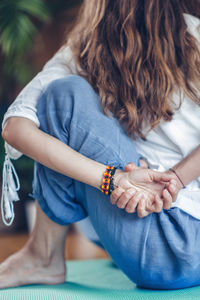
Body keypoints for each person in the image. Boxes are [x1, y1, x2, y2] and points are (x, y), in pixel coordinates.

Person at [1, 0, 200, 290]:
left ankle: (42, 255)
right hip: (169, 237)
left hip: (169, 241)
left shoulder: (84, 49)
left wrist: (165, 181)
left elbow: (15, 127)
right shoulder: (194, 33)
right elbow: (15, 128)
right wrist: (119, 180)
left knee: (64, 95)